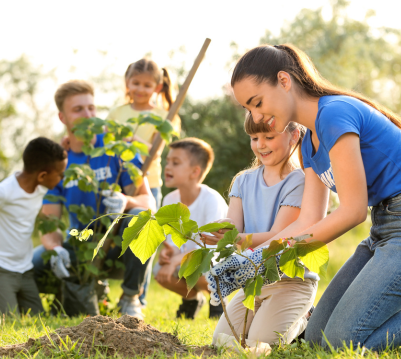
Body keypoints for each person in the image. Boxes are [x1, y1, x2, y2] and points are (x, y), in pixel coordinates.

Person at [207, 43, 401, 353]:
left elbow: (352, 211)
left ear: (284, 81)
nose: (256, 116)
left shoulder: (334, 114)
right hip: (385, 230)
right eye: (247, 109)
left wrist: (262, 257)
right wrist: (257, 257)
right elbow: (309, 221)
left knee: (339, 344)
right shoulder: (308, 146)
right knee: (318, 339)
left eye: (257, 102)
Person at [32, 80, 156, 320]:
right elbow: (49, 222)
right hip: (81, 247)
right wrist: (55, 248)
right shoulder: (59, 164)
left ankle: (130, 298)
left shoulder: (117, 149)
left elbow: (148, 202)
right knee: (37, 262)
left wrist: (125, 201)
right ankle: (76, 294)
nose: (88, 115)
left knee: (143, 220)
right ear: (62, 117)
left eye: (91, 108)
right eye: (78, 110)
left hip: (118, 248)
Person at [202, 115, 318, 345]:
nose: (260, 144)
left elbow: (277, 237)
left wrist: (235, 238)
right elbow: (233, 225)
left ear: (294, 136)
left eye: (269, 137)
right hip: (254, 279)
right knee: (223, 341)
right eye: (255, 138)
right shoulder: (243, 181)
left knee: (261, 342)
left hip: (291, 280)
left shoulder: (298, 181)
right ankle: (279, 317)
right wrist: (216, 233)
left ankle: (306, 318)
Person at [153, 138, 228, 319]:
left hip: (216, 262)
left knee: (203, 272)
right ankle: (191, 299)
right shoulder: (169, 200)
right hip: (188, 261)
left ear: (195, 171)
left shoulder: (211, 199)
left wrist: (175, 261)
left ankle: (218, 302)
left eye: (175, 163)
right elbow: (174, 242)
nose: (167, 167)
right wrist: (170, 254)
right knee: (159, 271)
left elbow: (210, 249)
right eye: (167, 161)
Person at [0, 137, 67, 315]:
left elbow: (39, 216)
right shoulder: (4, 192)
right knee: (9, 322)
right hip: (1, 270)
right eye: (60, 174)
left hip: (26, 271)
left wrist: (57, 248)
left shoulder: (39, 188)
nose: (62, 179)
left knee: (39, 320)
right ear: (42, 175)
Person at [107, 58, 180, 209]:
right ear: (127, 82)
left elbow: (154, 153)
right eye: (136, 83)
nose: (140, 89)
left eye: (147, 85)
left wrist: (131, 139)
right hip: (117, 183)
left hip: (148, 184)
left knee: (145, 228)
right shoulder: (116, 113)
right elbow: (104, 142)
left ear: (157, 87)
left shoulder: (162, 116)